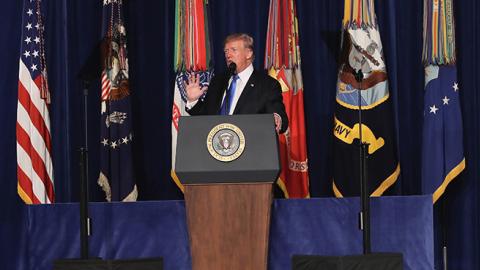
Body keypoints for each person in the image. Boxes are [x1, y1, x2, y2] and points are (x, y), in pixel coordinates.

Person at [184, 33, 288, 133]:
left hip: (250, 147)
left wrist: (277, 118)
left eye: (233, 50)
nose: (228, 55)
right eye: (226, 51)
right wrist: (193, 101)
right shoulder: (218, 81)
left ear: (249, 53)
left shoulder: (267, 85)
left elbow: (278, 115)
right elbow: (206, 117)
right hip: (217, 146)